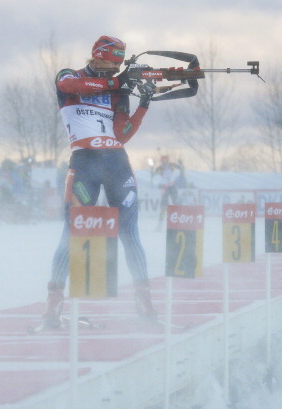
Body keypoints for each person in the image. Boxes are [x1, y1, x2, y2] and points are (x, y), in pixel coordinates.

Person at [43, 35, 156, 328]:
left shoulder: (118, 90)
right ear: (97, 56)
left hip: (117, 162)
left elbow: (120, 135)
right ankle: (53, 308)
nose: (116, 69)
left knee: (129, 231)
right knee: (72, 232)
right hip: (85, 162)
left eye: (119, 64)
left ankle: (145, 303)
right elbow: (70, 87)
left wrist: (143, 103)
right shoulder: (70, 76)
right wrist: (116, 83)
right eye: (112, 62)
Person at [154, 155, 181, 230]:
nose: (164, 162)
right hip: (165, 188)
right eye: (163, 161)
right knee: (163, 206)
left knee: (177, 204)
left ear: (167, 160)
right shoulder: (159, 169)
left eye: (165, 160)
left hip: (172, 187)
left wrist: (179, 165)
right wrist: (159, 182)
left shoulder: (172, 165)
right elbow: (155, 178)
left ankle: (179, 222)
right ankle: (160, 225)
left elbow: (180, 170)